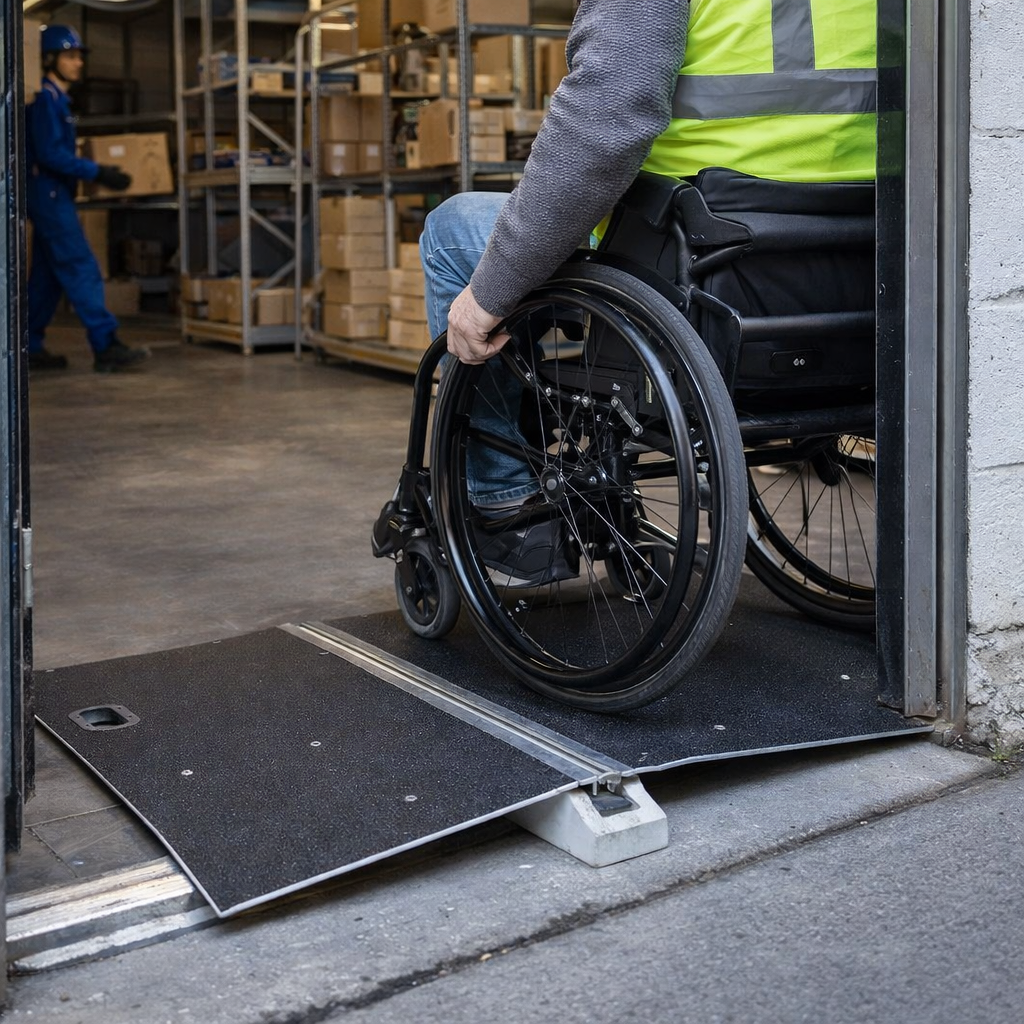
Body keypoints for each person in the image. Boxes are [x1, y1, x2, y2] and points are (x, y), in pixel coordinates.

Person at [417, 0, 876, 581]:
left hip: (698, 260)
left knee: (452, 233)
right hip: (853, 270)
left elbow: (602, 129)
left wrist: (489, 296)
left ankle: (502, 504)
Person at [25, 24, 149, 373]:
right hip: (48, 193)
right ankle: (105, 344)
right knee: (81, 266)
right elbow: (50, 154)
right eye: (70, 56)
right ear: (49, 59)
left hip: (52, 192)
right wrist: (98, 172)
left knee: (47, 277)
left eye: (79, 56)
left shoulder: (59, 100)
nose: (78, 63)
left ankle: (29, 345)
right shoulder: (45, 100)